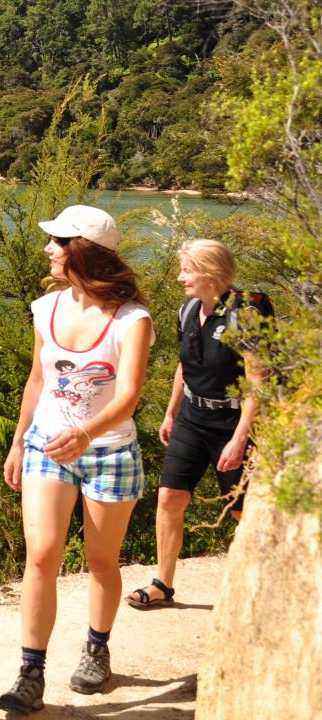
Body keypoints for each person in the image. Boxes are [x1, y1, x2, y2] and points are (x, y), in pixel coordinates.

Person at [0, 205, 155, 716]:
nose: (48, 249)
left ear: (82, 251)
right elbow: (37, 380)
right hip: (47, 446)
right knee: (40, 554)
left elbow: (129, 395)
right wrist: (20, 441)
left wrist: (86, 434)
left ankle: (96, 647)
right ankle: (30, 673)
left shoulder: (133, 320)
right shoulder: (45, 308)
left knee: (101, 562)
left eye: (57, 242)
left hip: (109, 453)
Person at [126, 239, 273, 609]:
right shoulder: (189, 309)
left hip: (234, 422)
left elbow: (259, 381)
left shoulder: (246, 316)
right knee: (170, 497)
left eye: (187, 270)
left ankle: (260, 589)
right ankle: (162, 584)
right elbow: (185, 364)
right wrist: (171, 412)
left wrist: (239, 439)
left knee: (242, 510)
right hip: (193, 416)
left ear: (210, 273)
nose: (180, 277)